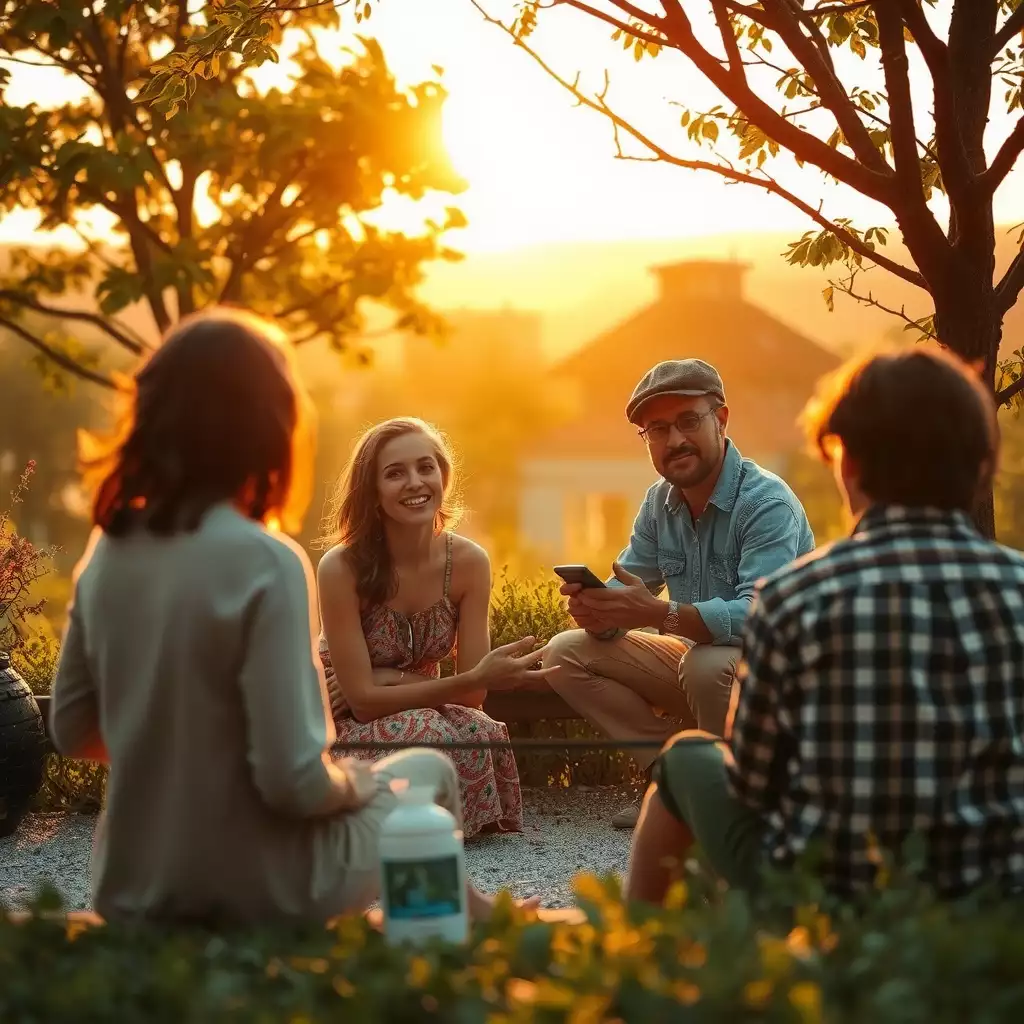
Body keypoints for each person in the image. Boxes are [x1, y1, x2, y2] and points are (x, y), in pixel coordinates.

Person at [48, 309, 537, 926]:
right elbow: (292, 782)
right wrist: (357, 785)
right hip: (260, 890)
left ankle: (478, 913)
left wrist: (177, 757)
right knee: (429, 770)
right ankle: (443, 939)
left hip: (130, 888)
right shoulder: (267, 559)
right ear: (270, 424)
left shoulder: (108, 550)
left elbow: (70, 730)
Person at [629, 347, 1024, 905]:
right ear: (984, 466)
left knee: (690, 759)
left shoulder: (793, 601)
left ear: (848, 466)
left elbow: (754, 785)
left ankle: (642, 960)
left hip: (825, 905)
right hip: (997, 907)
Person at [544, 359, 814, 828]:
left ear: (721, 419)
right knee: (564, 653)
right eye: (657, 430)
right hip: (702, 668)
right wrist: (599, 609)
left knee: (706, 664)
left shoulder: (766, 502)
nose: (674, 441)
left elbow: (760, 619)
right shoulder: (659, 503)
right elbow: (631, 586)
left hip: (780, 678)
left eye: (689, 421)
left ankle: (727, 801)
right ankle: (669, 782)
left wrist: (659, 614)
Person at [317, 418, 553, 839]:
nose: (415, 482)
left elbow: (473, 692)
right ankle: (401, 827)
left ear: (442, 476)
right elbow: (364, 702)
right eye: (395, 473)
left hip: (424, 700)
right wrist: (380, 686)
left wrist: (392, 677)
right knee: (428, 729)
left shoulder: (468, 562)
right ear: (371, 492)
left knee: (479, 730)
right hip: (346, 719)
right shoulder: (341, 567)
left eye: (426, 467)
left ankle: (445, 825)